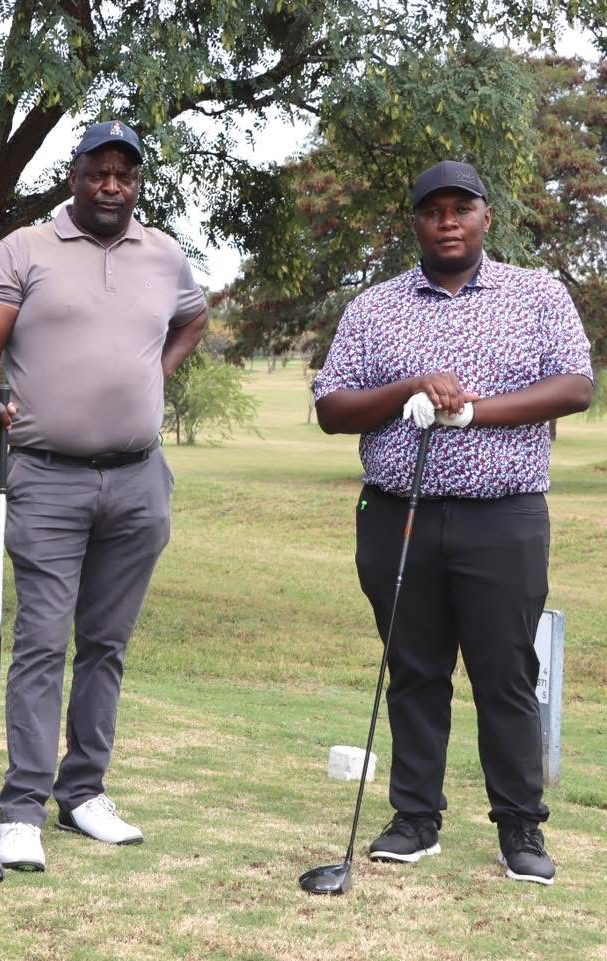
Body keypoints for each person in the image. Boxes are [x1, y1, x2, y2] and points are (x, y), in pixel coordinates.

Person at [313, 160, 593, 886]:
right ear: (415, 221)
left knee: (506, 673)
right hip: (397, 514)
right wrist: (405, 389)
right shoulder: (373, 308)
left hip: (504, 517)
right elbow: (331, 407)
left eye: (460, 208)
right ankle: (414, 818)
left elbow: (574, 385)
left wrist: (472, 411)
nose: (446, 221)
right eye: (432, 210)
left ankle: (520, 826)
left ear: (485, 218)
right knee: (413, 670)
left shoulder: (538, 294)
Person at [0, 120, 207, 872]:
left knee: (107, 643)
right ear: (73, 176)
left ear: (136, 183)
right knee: (42, 640)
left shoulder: (164, 253)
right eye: (98, 172)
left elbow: (194, 317)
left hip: (138, 476)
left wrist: (154, 373)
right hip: (46, 474)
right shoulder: (26, 247)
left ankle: (85, 790)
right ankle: (21, 808)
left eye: (124, 175)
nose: (111, 185)